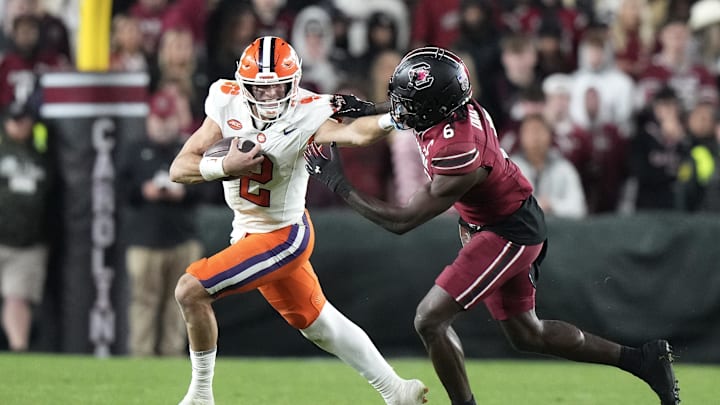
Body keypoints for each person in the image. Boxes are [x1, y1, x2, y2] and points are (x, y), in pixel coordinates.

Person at [305, 46, 681, 405]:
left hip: (506, 230)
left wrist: (338, 182)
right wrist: (371, 107)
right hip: (497, 220)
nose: (402, 107)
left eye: (409, 101)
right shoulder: (448, 107)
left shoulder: (460, 152)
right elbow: (415, 104)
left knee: (429, 320)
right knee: (527, 334)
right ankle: (643, 360)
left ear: (435, 106)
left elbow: (402, 221)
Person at [168, 36, 427, 405]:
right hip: (245, 230)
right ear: (244, 85)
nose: (272, 97)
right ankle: (396, 389)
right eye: (263, 88)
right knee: (320, 325)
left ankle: (200, 396)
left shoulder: (308, 109)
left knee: (190, 290)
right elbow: (180, 167)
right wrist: (226, 165)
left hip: (283, 234)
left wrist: (391, 119)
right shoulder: (225, 100)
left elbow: (353, 132)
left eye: (279, 87)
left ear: (294, 83)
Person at [118, 90, 205, 357]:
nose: (163, 125)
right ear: (150, 119)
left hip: (181, 238)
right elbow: (120, 191)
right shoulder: (134, 150)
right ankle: (141, 355)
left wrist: (184, 192)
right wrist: (143, 191)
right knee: (143, 301)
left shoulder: (187, 148)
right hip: (144, 241)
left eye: (167, 119)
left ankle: (172, 355)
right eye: (158, 119)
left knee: (180, 303)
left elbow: (208, 189)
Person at [0, 101, 52, 351]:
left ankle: (18, 348)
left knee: (18, 297)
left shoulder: (41, 151)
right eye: (13, 120)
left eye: (22, 120)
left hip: (28, 242)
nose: (18, 125)